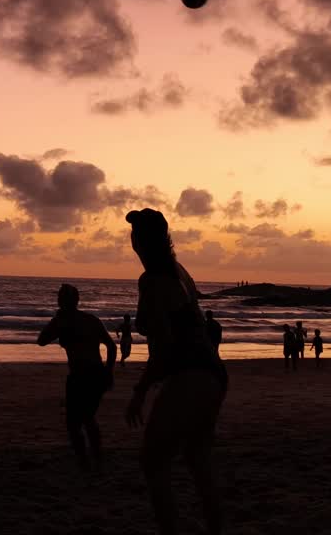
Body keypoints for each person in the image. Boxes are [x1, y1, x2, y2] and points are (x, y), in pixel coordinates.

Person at [123, 209, 226, 535]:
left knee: (153, 461)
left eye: (135, 232)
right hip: (212, 373)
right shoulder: (180, 272)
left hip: (190, 375)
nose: (132, 238)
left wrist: (140, 391)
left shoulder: (152, 280)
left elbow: (165, 346)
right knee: (198, 461)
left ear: (139, 240)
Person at [37, 284, 117, 470]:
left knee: (75, 422)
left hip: (81, 376)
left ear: (63, 301)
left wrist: (55, 321)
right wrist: (108, 371)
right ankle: (95, 458)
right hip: (96, 374)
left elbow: (41, 340)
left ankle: (86, 460)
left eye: (60, 297)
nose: (59, 300)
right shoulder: (91, 319)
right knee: (88, 417)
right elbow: (111, 346)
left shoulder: (62, 321)